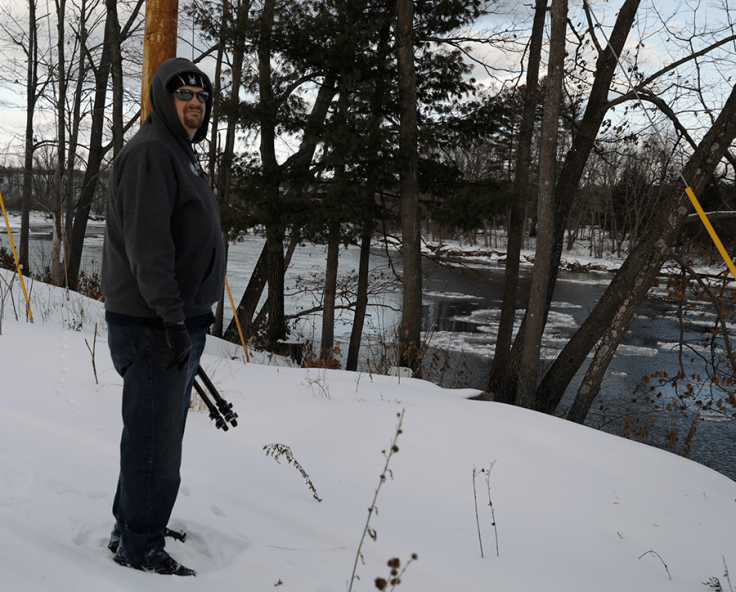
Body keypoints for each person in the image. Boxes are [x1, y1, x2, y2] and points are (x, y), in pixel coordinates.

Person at [101, 57, 225, 576]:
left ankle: (132, 524)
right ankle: (140, 547)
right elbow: (149, 251)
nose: (194, 103)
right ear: (162, 98)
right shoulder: (153, 153)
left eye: (201, 97)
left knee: (154, 433)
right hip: (155, 326)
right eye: (183, 95)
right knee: (156, 442)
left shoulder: (178, 151)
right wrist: (175, 320)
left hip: (171, 323)